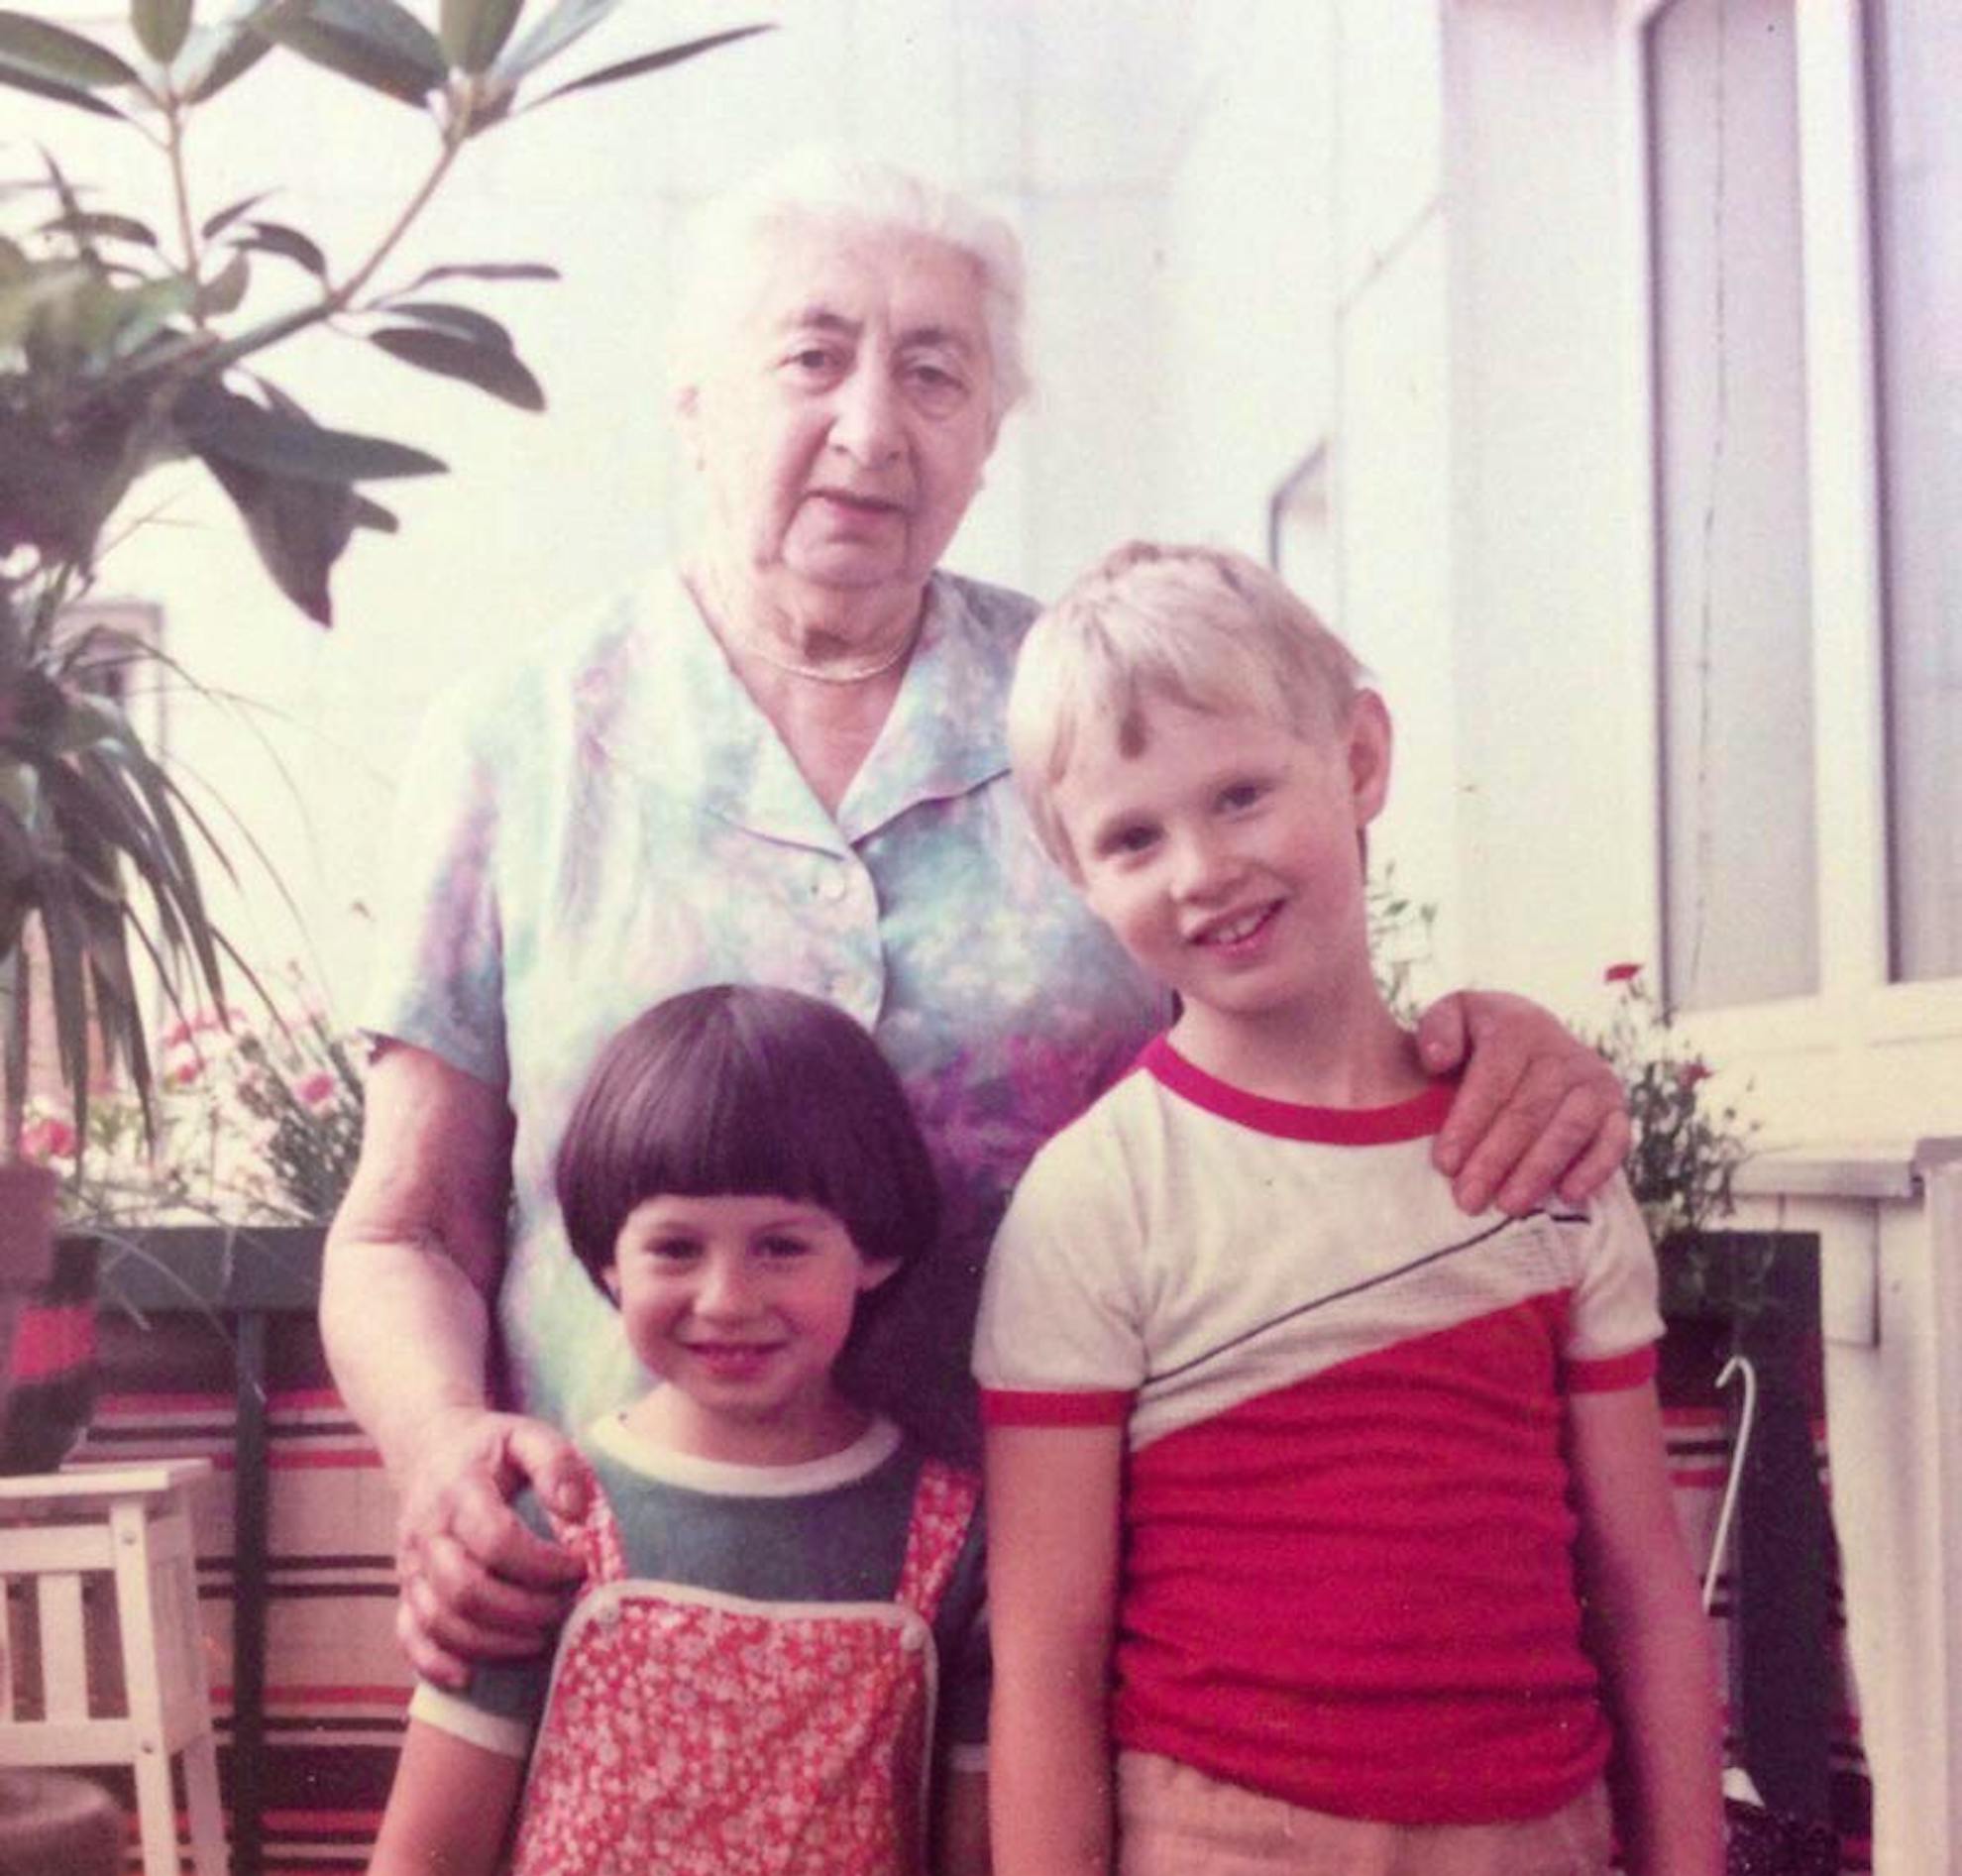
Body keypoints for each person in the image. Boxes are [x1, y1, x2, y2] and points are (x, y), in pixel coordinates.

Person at [321, 150, 1634, 1691]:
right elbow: (407, 1224)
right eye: (812, 358)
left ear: (987, 437)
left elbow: (1296, 1040)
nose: (871, 427)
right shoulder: (518, 741)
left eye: (935, 374)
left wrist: (1493, 1047)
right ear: (696, 403)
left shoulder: (1088, 718)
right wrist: (437, 1448)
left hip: (1060, 1635)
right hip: (627, 1617)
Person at [975, 543, 1725, 1876]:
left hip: (1530, 1861)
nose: (1204, 870)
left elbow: (1644, 1593)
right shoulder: (1096, 1198)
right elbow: (1050, 1663)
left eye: (1243, 793)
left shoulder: (1540, 1155)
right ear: (1074, 872)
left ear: (1362, 757)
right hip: (1214, 1867)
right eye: (1133, 839)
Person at [347, 984, 996, 1876]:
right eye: (677, 1248)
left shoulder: (952, 1536)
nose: (726, 1299)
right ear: (608, 1260)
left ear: (874, 1250)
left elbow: (978, 1868)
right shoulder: (548, 1517)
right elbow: (431, 1861)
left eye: (781, 1246)